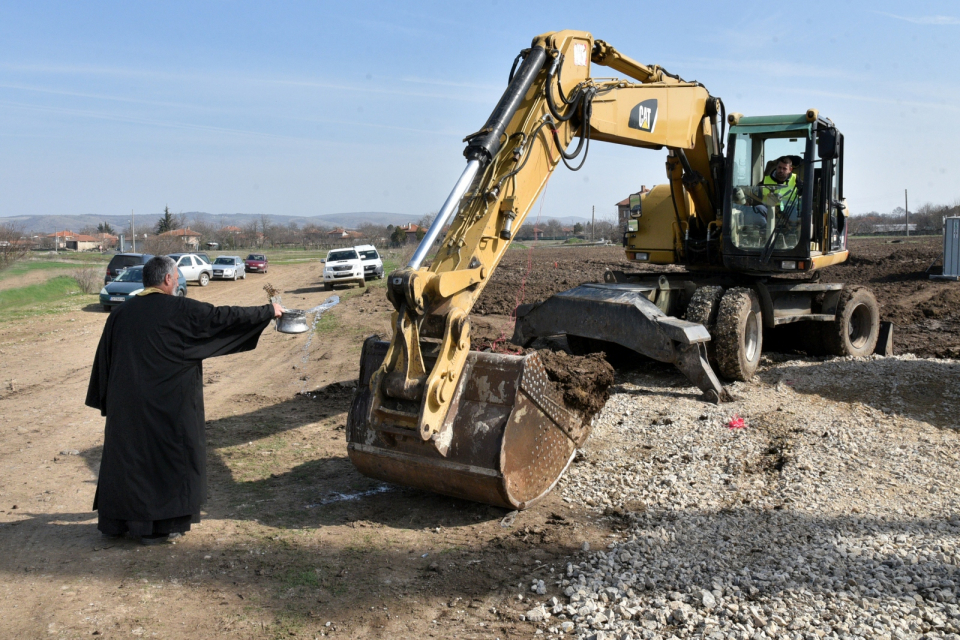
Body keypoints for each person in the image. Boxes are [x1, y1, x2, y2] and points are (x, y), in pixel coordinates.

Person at [85, 256, 283, 544]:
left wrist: (108, 401)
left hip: (126, 406)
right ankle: (158, 529)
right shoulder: (180, 309)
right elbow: (223, 317)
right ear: (167, 280)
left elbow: (104, 359)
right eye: (176, 277)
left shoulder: (121, 313)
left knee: (129, 463)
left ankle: (119, 524)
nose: (177, 281)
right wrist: (267, 312)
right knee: (165, 463)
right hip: (168, 405)